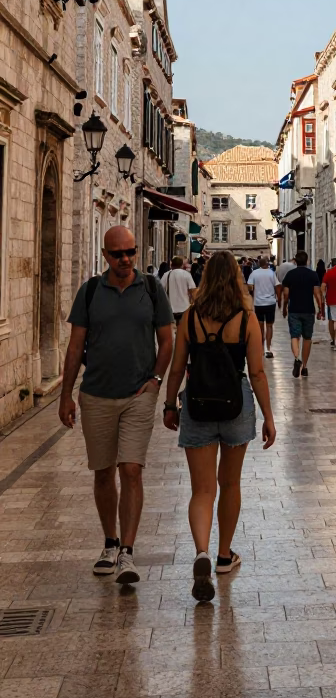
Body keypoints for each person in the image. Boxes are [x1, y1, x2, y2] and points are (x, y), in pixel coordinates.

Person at [59, 225, 174, 585]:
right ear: (106, 256)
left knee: (131, 470)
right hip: (96, 395)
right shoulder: (91, 291)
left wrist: (156, 380)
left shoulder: (152, 289)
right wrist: (65, 395)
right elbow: (76, 346)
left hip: (138, 395)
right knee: (104, 472)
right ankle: (109, 543)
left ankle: (128, 551)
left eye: (131, 252)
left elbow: (167, 341)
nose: (125, 259)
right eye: (117, 254)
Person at [163, 252, 276, 601]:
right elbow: (256, 372)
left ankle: (202, 552)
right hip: (236, 403)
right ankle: (224, 555)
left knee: (202, 490)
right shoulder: (247, 318)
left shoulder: (191, 318)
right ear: (237, 280)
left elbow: (178, 366)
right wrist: (268, 417)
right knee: (230, 483)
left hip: (197, 402)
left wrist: (169, 405)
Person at [282, 250, 323, 379]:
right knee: (307, 338)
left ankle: (296, 358)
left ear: (295, 260)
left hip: (294, 309)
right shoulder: (313, 275)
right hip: (308, 310)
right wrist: (321, 308)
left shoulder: (290, 275)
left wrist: (284, 307)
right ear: (307, 260)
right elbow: (317, 293)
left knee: (294, 336)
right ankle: (304, 366)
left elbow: (286, 294)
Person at [247, 256, 280, 358]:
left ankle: (261, 348)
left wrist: (253, 293)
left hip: (258, 303)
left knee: (260, 326)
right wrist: (278, 299)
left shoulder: (254, 273)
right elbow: (277, 286)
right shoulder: (271, 273)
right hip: (270, 302)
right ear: (267, 264)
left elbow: (249, 286)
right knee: (269, 326)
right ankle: (268, 348)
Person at [161, 255, 197, 324]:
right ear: (181, 265)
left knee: (172, 331)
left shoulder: (166, 275)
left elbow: (161, 291)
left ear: (171, 265)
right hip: (185, 308)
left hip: (170, 309)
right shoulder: (186, 274)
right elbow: (193, 290)